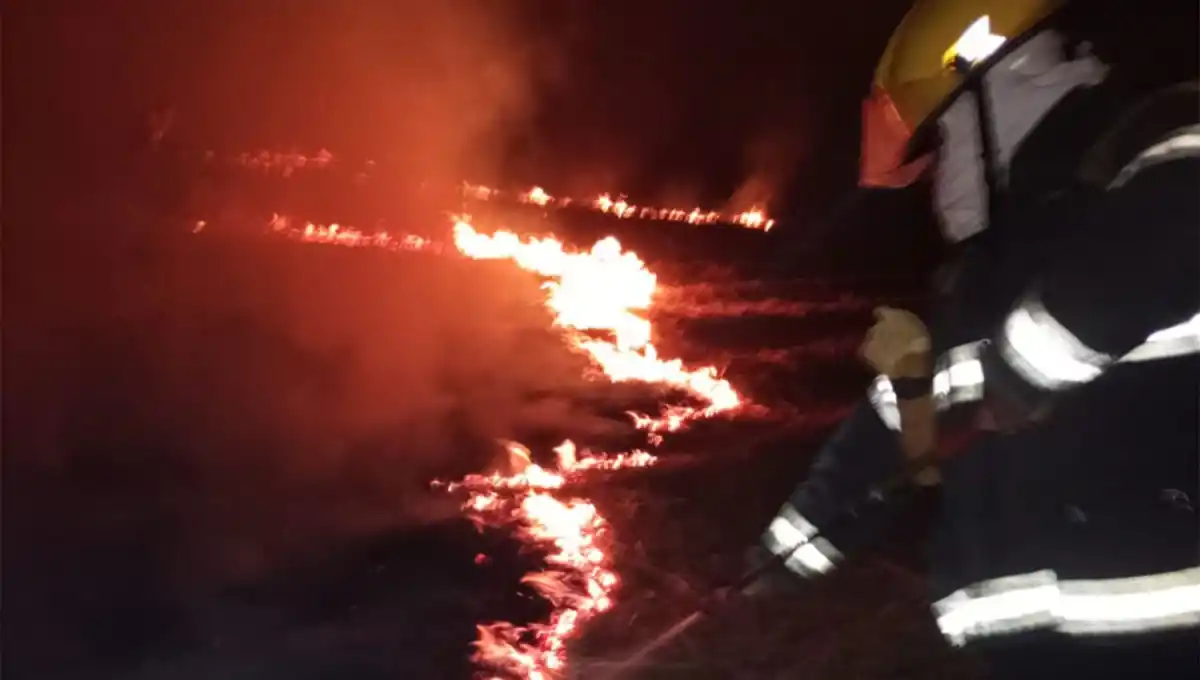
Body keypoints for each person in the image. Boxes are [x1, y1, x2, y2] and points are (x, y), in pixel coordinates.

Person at [748, 1, 1200, 677]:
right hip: (1031, 655)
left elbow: (1165, 234)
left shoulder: (1158, 147)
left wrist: (1028, 364)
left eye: (938, 146)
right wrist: (784, 555)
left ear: (993, 91)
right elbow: (895, 426)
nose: (933, 179)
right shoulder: (985, 277)